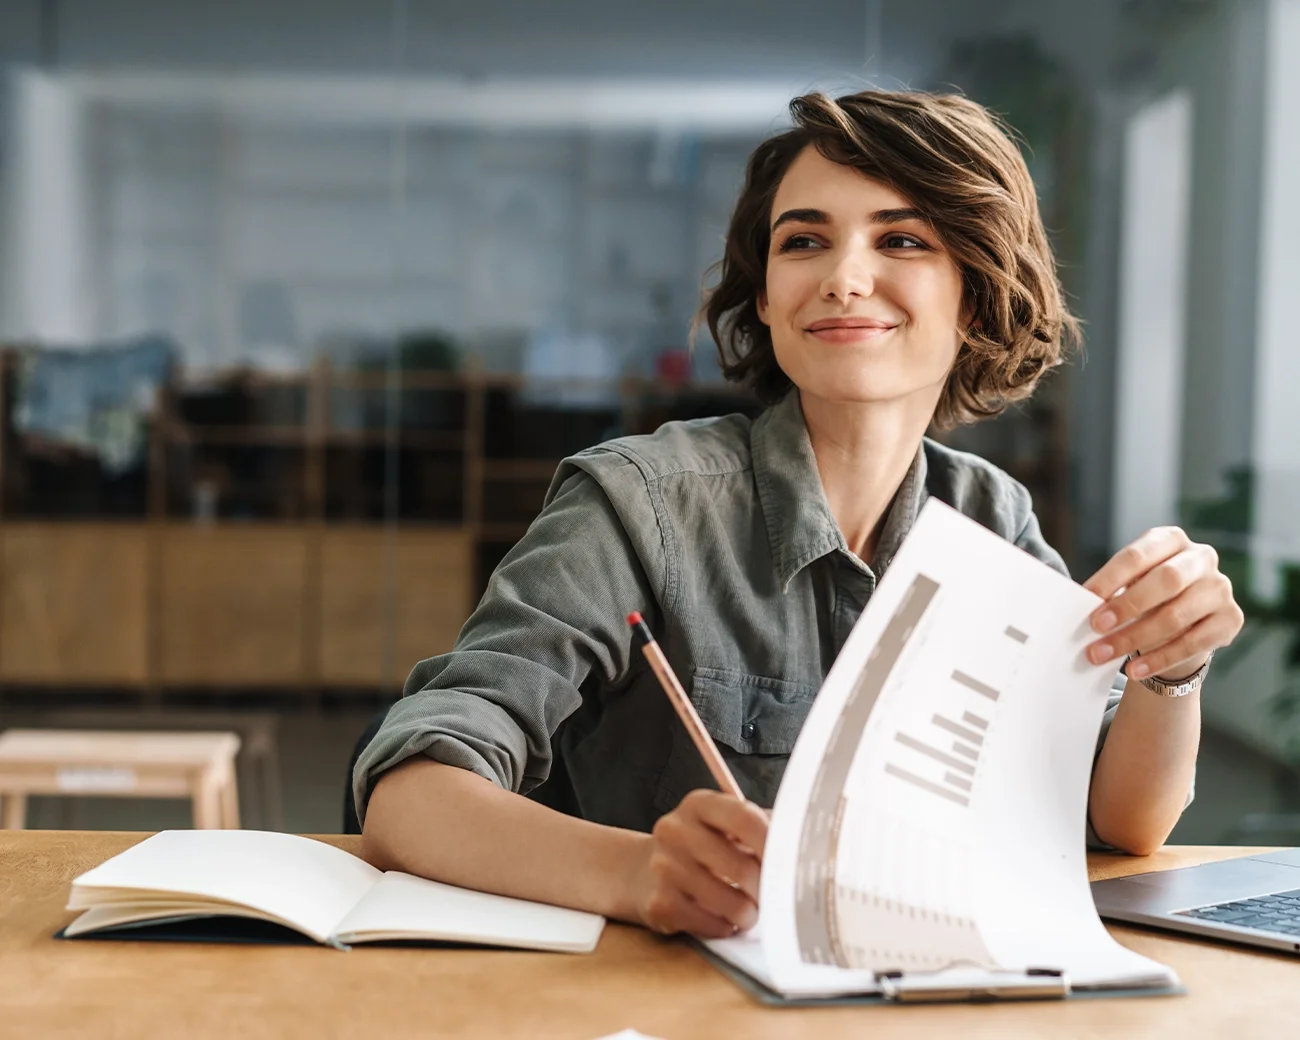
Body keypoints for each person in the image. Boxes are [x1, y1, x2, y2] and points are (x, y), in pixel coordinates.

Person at [356, 89, 1244, 940]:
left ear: (976, 289)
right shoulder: (636, 501)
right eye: (803, 242)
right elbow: (410, 792)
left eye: (901, 239)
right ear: (769, 296)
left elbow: (1117, 821)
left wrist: (1171, 669)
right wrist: (638, 874)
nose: (844, 279)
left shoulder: (990, 515)